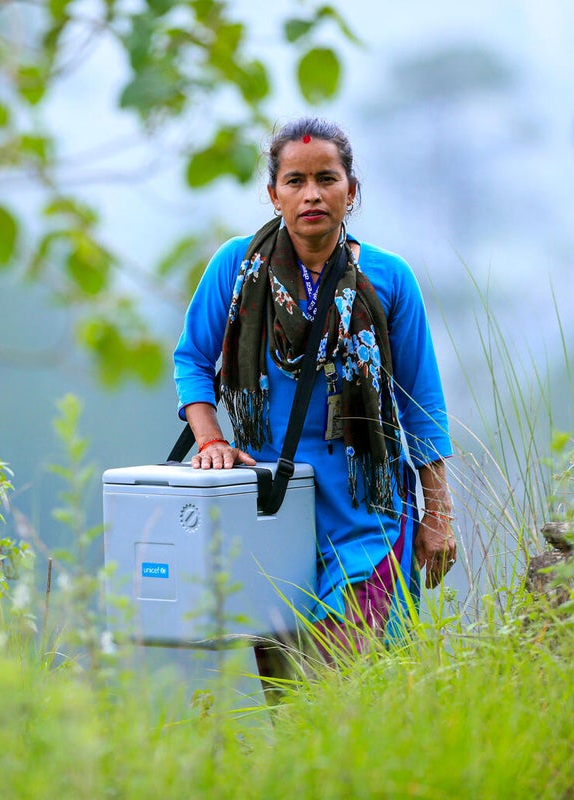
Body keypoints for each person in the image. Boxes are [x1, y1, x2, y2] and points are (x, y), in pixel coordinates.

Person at [172, 117, 456, 662]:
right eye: (295, 181)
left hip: (366, 513)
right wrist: (211, 441)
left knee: (350, 676)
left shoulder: (390, 277)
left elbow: (422, 406)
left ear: (352, 191)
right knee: (291, 695)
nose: (312, 195)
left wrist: (438, 514)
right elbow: (191, 359)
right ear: (272, 193)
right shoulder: (236, 267)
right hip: (272, 511)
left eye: (327, 179)